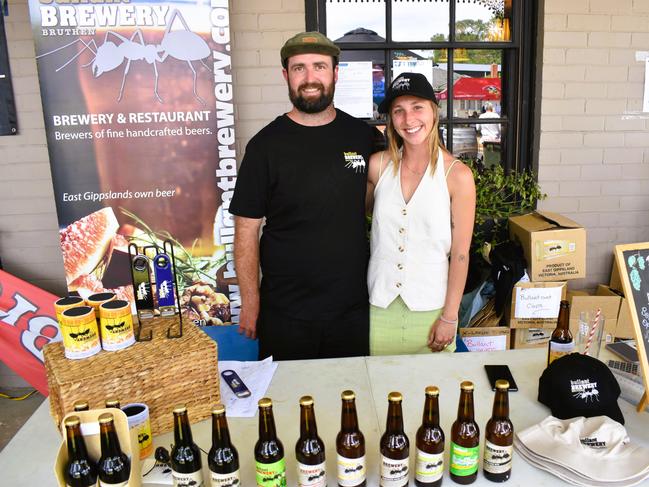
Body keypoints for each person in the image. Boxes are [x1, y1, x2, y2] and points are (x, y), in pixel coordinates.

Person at [230, 32, 381, 361]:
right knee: (287, 408)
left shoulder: (363, 136)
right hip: (285, 315)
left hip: (352, 310)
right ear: (286, 75)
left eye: (319, 67)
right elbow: (246, 230)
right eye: (299, 68)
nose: (310, 78)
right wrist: (250, 304)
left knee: (350, 403)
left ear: (335, 73)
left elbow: (402, 182)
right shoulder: (264, 147)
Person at [366, 73, 476, 355]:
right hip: (379, 308)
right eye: (398, 111)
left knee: (431, 394)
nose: (408, 119)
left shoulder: (457, 176)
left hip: (432, 310)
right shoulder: (378, 166)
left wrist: (450, 317)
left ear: (433, 111)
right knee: (380, 391)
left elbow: (461, 254)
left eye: (417, 107)